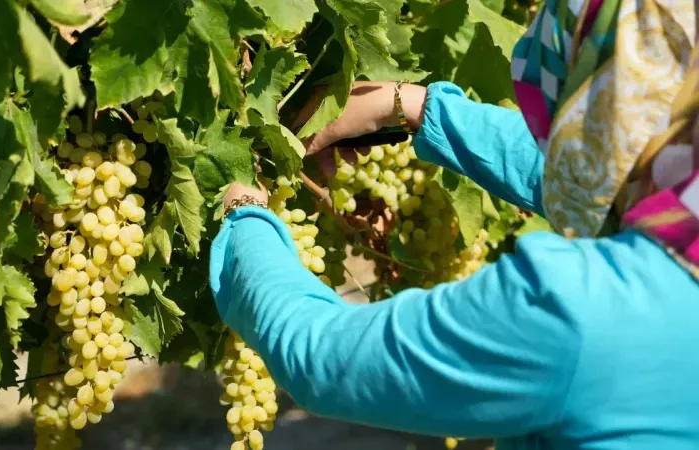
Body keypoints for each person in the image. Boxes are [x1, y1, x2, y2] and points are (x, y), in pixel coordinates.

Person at [210, 0, 699, 447]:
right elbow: (590, 183)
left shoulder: (577, 314)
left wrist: (245, 218)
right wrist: (414, 106)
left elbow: (320, 357)